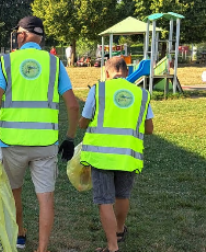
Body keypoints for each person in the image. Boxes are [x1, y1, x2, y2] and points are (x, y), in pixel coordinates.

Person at [0, 16, 80, 252]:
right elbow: (74, 106)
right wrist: (69, 138)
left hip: (12, 142)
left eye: (17, 34)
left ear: (23, 35)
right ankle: (43, 249)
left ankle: (21, 233)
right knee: (45, 197)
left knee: (15, 191)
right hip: (45, 142)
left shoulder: (7, 62)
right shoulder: (55, 64)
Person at [79, 57, 154, 252]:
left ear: (106, 73)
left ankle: (112, 247)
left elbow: (84, 121)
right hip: (128, 155)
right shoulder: (142, 94)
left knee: (105, 200)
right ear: (127, 73)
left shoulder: (99, 90)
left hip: (101, 156)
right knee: (122, 195)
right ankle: (119, 230)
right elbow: (150, 128)